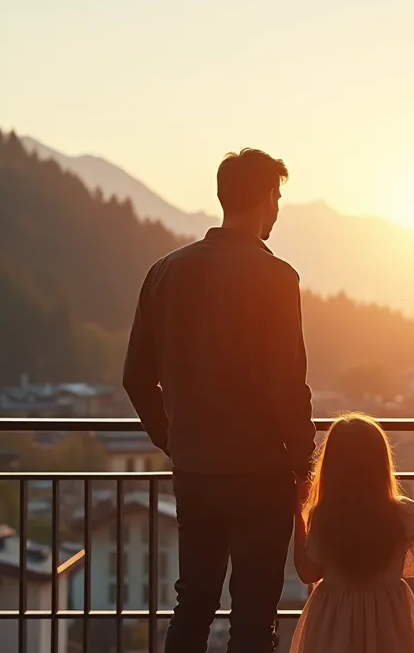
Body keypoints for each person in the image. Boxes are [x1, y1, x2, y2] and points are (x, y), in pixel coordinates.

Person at [123, 148, 316, 652]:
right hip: (260, 472)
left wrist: (174, 441)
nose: (277, 209)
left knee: (193, 605)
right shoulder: (276, 278)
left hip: (195, 470)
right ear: (266, 198)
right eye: (277, 196)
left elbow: (135, 377)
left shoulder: (164, 273)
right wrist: (303, 462)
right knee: (254, 615)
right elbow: (287, 384)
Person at [289, 414, 414, 653]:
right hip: (388, 617)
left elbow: (307, 572)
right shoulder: (404, 512)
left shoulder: (323, 515)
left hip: (335, 618)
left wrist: (298, 512)